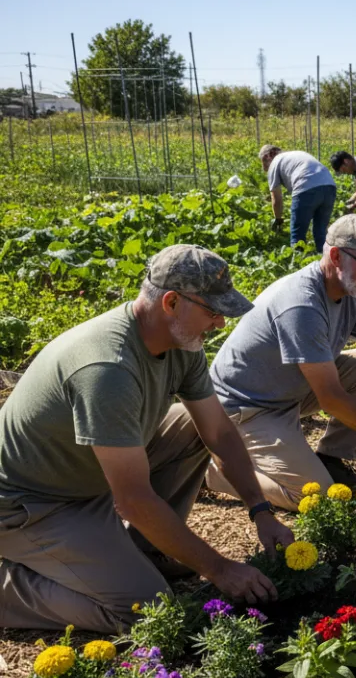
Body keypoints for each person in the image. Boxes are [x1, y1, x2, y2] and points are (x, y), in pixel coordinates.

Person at [0, 246, 294, 632]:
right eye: (213, 311)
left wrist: (260, 509)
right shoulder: (108, 369)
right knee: (146, 614)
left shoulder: (180, 342)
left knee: (191, 429)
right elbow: (133, 500)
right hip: (34, 504)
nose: (220, 324)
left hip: (89, 478)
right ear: (172, 302)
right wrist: (219, 569)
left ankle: (148, 550)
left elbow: (218, 432)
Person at [206, 215, 356, 511]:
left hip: (288, 390)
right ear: (335, 256)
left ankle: (331, 458)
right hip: (248, 408)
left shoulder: (352, 291)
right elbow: (331, 399)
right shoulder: (302, 304)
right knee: (315, 498)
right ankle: (216, 474)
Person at [259, 144, 338, 251]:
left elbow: (276, 199)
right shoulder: (295, 154)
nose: (265, 168)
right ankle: (327, 262)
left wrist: (278, 219)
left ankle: (297, 263)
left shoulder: (274, 163)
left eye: (264, 163)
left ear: (268, 156)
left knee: (297, 235)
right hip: (330, 186)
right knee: (321, 232)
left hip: (306, 187)